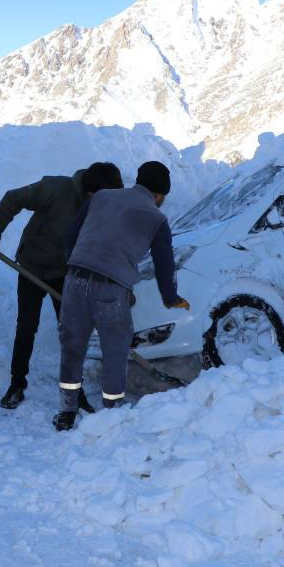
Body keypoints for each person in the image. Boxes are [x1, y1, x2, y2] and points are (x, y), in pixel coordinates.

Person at [53, 161, 190, 431]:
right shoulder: (156, 217)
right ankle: (112, 414)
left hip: (75, 282)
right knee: (114, 352)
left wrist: (76, 265)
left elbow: (71, 234)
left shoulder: (102, 196)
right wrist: (171, 297)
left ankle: (66, 412)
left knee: (72, 348)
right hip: (111, 290)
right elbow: (165, 264)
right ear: (160, 194)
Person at [0, 162, 123, 410]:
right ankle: (17, 385)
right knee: (26, 327)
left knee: (73, 332)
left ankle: (75, 390)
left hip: (66, 273)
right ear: (92, 192)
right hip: (31, 267)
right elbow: (12, 199)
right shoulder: (55, 189)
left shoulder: (104, 205)